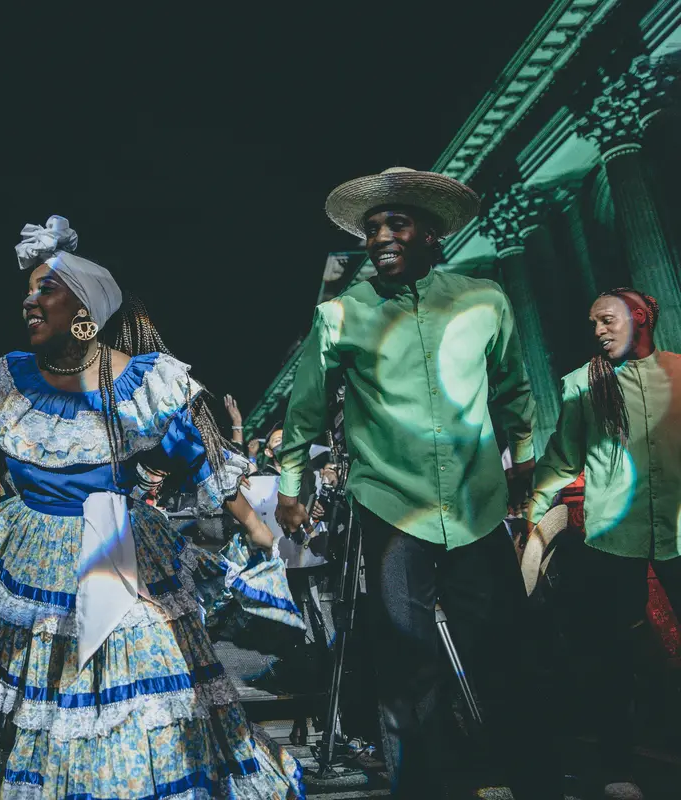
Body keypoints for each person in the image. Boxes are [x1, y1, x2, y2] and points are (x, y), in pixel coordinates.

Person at [0, 215, 307, 799]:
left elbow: (198, 458)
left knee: (141, 694)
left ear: (85, 310)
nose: (29, 301)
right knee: (52, 700)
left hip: (121, 550)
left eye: (47, 289)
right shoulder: (6, 385)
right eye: (28, 289)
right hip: (37, 557)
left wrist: (264, 538)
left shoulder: (144, 385)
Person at [275, 168, 551, 797]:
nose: (380, 236)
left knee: (509, 657)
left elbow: (513, 388)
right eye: (371, 228)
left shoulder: (485, 299)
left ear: (430, 233)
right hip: (390, 508)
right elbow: (307, 412)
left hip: (478, 503)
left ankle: (535, 782)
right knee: (407, 669)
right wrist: (292, 489)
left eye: (395, 223)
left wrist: (525, 460)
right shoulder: (339, 314)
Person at [528, 288, 681, 800]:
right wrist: (534, 517)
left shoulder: (680, 373)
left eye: (608, 319)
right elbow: (561, 458)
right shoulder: (580, 385)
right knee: (612, 657)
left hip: (680, 535)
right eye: (593, 322)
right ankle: (619, 767)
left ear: (640, 317)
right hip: (612, 539)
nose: (598, 330)